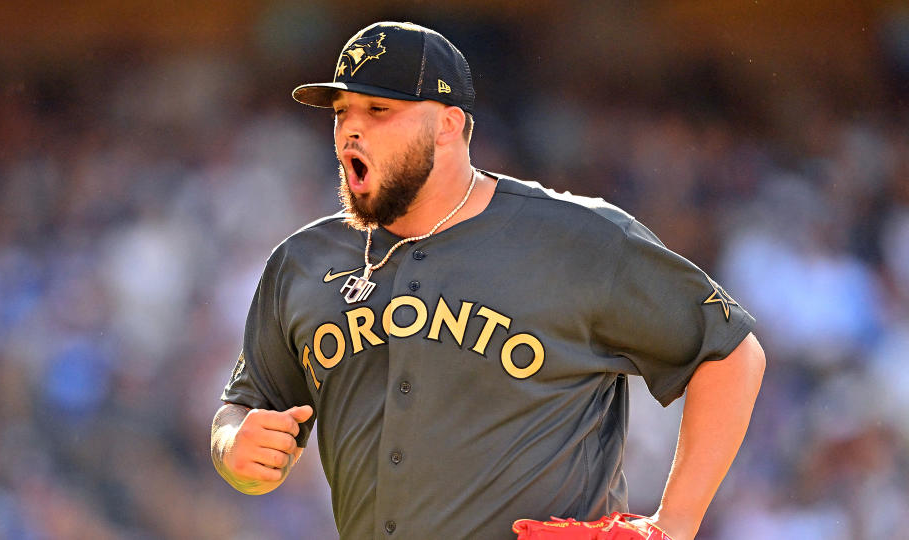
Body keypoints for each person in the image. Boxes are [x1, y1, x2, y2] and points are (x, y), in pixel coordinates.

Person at [210, 21, 765, 540]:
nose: (352, 128)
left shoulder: (578, 238)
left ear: (449, 125)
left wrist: (674, 524)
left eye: (379, 109)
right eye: (342, 112)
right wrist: (235, 447)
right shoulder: (302, 262)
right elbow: (244, 406)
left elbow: (730, 354)